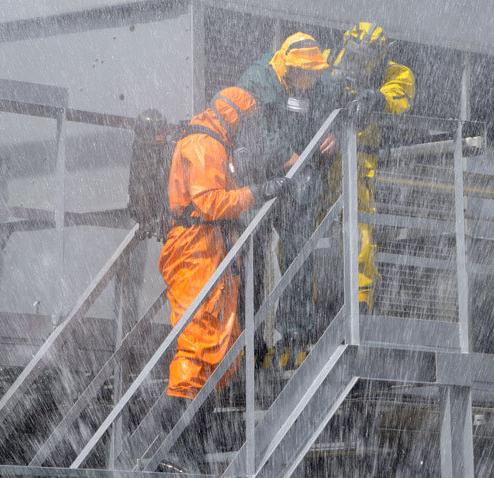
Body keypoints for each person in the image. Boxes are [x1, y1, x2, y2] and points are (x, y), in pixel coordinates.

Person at [157, 86, 289, 471]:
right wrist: (257, 192)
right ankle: (181, 436)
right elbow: (211, 202)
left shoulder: (214, 143)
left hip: (210, 249)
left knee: (219, 345)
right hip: (195, 250)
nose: (250, 130)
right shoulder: (202, 145)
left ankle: (192, 433)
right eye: (248, 122)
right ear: (235, 118)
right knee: (197, 342)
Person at [237, 32, 335, 357]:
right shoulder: (257, 79)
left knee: (299, 256)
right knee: (251, 259)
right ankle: (249, 346)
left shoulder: (318, 85)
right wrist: (284, 156)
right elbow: (252, 132)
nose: (311, 80)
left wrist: (332, 133)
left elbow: (336, 106)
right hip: (259, 184)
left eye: (315, 74)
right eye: (306, 73)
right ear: (290, 67)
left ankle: (295, 335)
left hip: (297, 185)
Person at [322, 21, 415, 313]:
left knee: (359, 233)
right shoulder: (329, 62)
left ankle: (361, 303)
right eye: (354, 54)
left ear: (379, 55)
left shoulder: (393, 74)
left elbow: (400, 95)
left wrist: (377, 98)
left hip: (359, 160)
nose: (357, 62)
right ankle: (316, 304)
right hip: (322, 159)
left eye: (364, 57)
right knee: (315, 235)